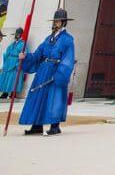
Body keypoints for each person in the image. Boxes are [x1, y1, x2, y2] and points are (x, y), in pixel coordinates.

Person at [18, 8, 75, 136]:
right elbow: (37, 54)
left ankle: (55, 126)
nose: (55, 23)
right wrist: (25, 57)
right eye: (54, 20)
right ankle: (37, 125)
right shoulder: (48, 39)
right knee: (38, 96)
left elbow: (68, 58)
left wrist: (61, 73)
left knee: (54, 98)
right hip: (43, 71)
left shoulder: (67, 39)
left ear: (63, 22)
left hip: (56, 71)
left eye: (58, 21)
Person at [0, 28, 25, 99]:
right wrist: (5, 61)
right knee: (6, 77)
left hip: (15, 62)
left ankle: (13, 93)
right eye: (16, 34)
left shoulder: (23, 44)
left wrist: (18, 63)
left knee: (13, 78)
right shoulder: (12, 44)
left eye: (18, 34)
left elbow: (23, 54)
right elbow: (7, 52)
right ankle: (5, 92)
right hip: (9, 63)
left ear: (21, 35)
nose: (16, 35)